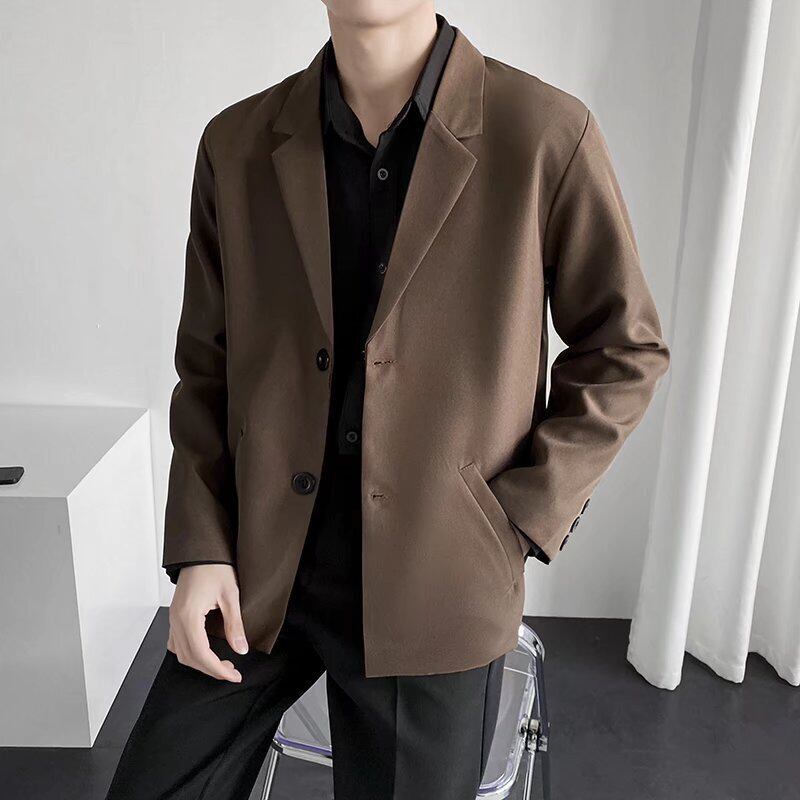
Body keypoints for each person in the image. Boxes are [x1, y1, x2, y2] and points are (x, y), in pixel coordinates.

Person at [105, 2, 670, 798]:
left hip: (436, 578)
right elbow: (207, 366)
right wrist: (201, 544)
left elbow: (625, 348)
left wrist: (511, 519)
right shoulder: (236, 144)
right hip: (259, 563)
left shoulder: (543, 133)